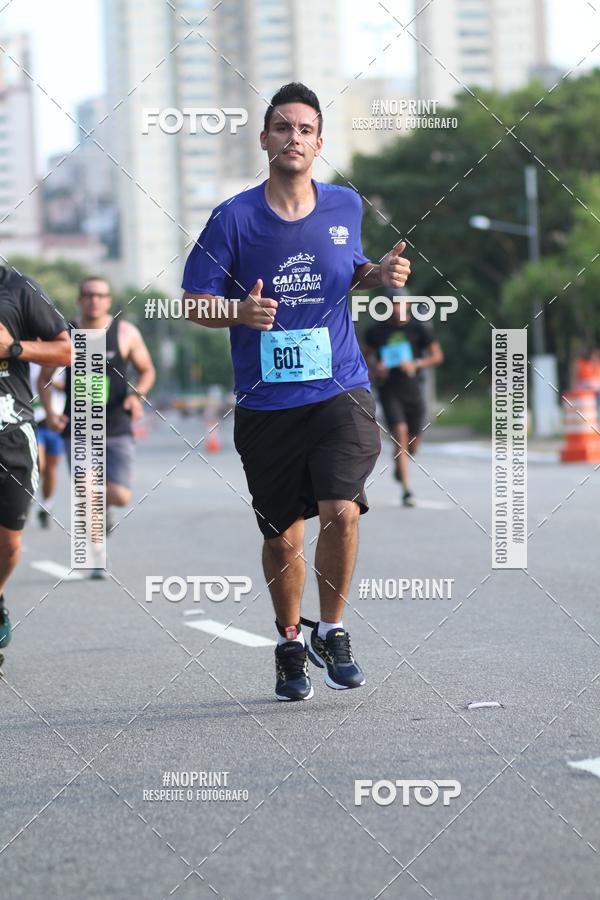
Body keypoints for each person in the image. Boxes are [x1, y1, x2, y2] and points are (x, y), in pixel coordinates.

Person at [182, 82, 410, 701]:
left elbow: (352, 269)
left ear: (318, 143)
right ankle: (289, 641)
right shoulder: (232, 217)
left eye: (306, 129)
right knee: (283, 536)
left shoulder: (344, 205)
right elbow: (193, 302)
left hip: (340, 387)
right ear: (265, 140)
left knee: (342, 509)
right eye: (283, 128)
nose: (294, 138)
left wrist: (378, 274)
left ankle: (332, 629)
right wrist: (238, 312)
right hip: (266, 402)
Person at [40, 276, 155, 578]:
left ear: (108, 300)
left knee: (120, 496)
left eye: (100, 295)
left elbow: (147, 371)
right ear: (80, 299)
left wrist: (135, 396)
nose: (94, 300)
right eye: (88, 294)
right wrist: (51, 415)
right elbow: (44, 378)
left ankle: (105, 511)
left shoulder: (125, 333)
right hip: (78, 427)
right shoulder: (65, 334)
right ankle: (97, 554)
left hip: (117, 426)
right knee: (86, 490)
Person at [0, 266, 71, 662]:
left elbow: (66, 350)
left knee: (9, 541)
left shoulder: (18, 288)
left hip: (10, 433)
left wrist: (14, 349)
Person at [363, 297, 443, 506]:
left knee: (413, 444)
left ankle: (402, 463)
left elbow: (437, 355)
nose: (398, 309)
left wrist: (417, 363)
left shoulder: (419, 329)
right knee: (400, 435)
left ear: (408, 305)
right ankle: (407, 490)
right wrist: (375, 369)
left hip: (413, 390)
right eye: (394, 305)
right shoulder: (376, 332)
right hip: (390, 390)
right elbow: (363, 357)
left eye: (401, 304)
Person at [30, 362, 66, 528]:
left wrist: (58, 385)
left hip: (57, 421)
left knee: (51, 467)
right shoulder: (28, 360)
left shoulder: (64, 359)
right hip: (33, 418)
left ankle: (46, 505)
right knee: (39, 464)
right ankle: (26, 498)